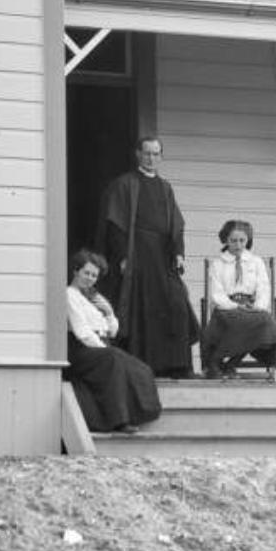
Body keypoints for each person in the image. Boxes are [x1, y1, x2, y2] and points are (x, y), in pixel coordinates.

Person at [95, 137, 200, 378]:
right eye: (147, 153)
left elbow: (176, 224)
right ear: (138, 154)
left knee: (177, 306)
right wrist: (122, 256)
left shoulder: (165, 187)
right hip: (137, 254)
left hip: (163, 257)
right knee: (139, 309)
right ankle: (142, 368)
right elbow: (115, 223)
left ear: (161, 157)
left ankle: (176, 366)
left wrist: (179, 253)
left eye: (156, 154)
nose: (151, 158)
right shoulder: (124, 184)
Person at [65, 249, 162, 433]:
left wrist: (109, 312)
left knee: (140, 368)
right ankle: (119, 421)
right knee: (114, 359)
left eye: (94, 275)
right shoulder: (70, 295)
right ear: (75, 271)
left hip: (100, 347)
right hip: (80, 349)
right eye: (86, 273)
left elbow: (113, 331)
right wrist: (105, 349)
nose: (90, 278)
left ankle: (140, 413)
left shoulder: (94, 297)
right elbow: (82, 332)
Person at [202, 219, 276, 379]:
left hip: (251, 306)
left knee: (265, 321)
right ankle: (218, 362)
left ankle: (229, 363)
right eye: (233, 240)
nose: (238, 245)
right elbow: (216, 292)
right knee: (243, 322)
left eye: (242, 240)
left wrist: (258, 306)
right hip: (226, 308)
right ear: (226, 240)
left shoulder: (256, 262)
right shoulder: (218, 263)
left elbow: (263, 287)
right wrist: (233, 305)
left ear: (248, 241)